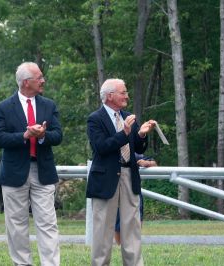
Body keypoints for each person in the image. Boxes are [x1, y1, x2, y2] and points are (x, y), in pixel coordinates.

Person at [0, 62, 62, 266]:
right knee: (16, 224)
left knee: (48, 223)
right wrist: (24, 135)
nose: (43, 80)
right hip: (14, 172)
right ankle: (22, 263)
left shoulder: (49, 105)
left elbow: (58, 135)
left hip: (43, 171)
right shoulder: (4, 107)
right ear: (25, 82)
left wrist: (43, 136)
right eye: (39, 77)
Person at [86, 78, 156, 266]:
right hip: (105, 179)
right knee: (103, 231)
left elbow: (137, 146)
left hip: (129, 176)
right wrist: (124, 133)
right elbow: (101, 147)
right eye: (123, 92)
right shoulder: (95, 119)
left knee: (132, 229)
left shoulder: (128, 117)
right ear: (110, 96)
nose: (127, 96)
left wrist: (141, 134)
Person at [114, 153, 157, 245]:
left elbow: (154, 163)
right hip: (117, 191)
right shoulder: (111, 151)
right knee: (118, 224)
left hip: (134, 191)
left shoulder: (133, 153)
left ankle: (134, 245)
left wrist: (146, 163)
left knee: (137, 220)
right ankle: (119, 247)